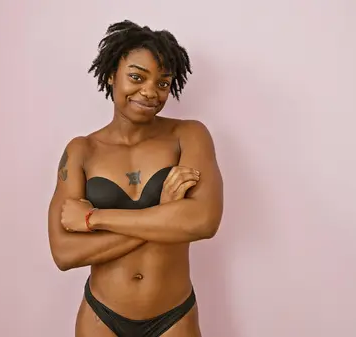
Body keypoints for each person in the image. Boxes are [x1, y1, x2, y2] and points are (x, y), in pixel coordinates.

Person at [48, 20, 224, 337]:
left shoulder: (189, 135)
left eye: (163, 83)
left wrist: (94, 218)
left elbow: (204, 221)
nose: (150, 91)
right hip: (101, 316)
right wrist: (166, 214)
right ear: (112, 74)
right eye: (136, 77)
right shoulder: (81, 151)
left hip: (173, 316)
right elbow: (64, 252)